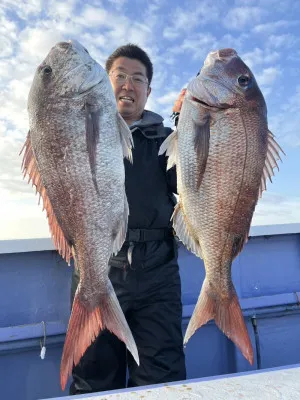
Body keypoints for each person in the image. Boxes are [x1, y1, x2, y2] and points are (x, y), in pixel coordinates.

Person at [69, 44, 186, 395]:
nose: (128, 85)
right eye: (119, 76)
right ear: (105, 84)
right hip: (98, 264)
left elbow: (194, 183)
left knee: (161, 377)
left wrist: (189, 123)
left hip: (158, 274)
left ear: (148, 91)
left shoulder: (165, 140)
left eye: (138, 79)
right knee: (93, 374)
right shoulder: (84, 134)